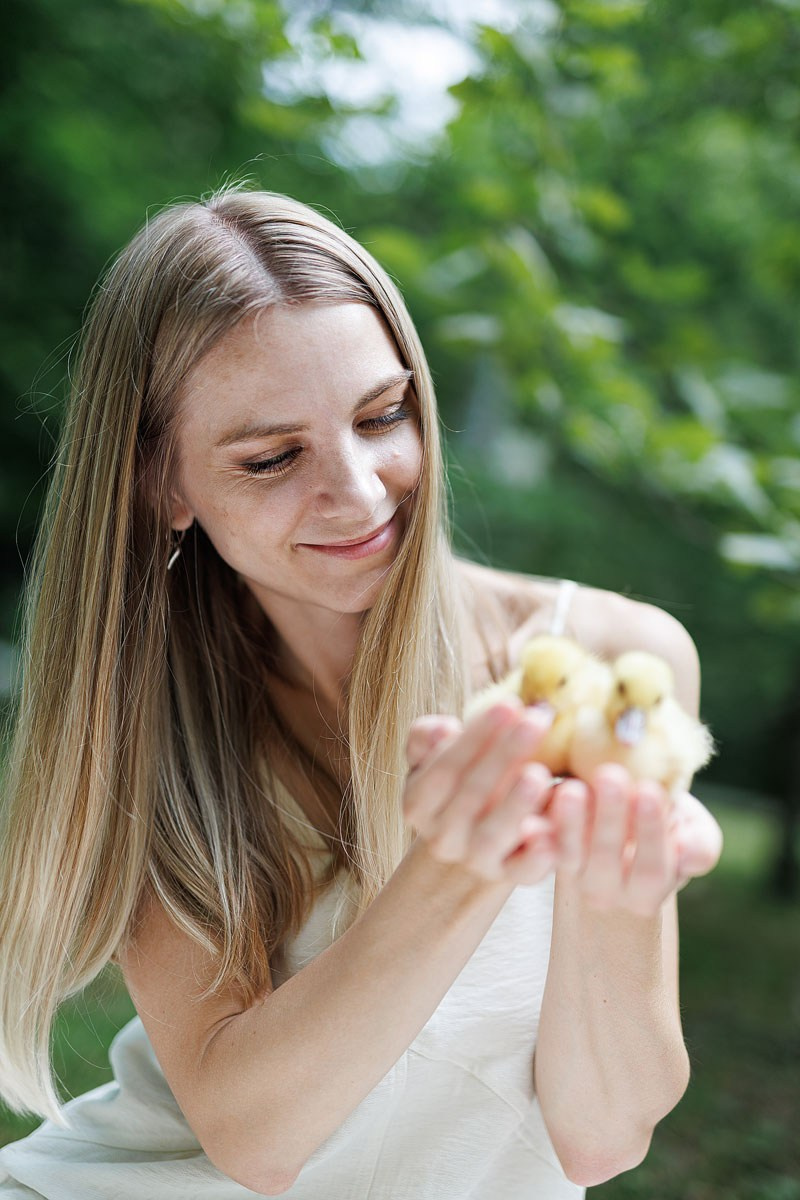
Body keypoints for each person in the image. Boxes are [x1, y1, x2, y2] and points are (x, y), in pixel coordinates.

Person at [0, 186, 722, 1199]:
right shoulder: (145, 723)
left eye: (382, 415)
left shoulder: (609, 661)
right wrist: (459, 865)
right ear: (160, 487)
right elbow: (256, 1140)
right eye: (272, 456)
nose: (362, 487)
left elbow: (600, 1139)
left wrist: (618, 897)